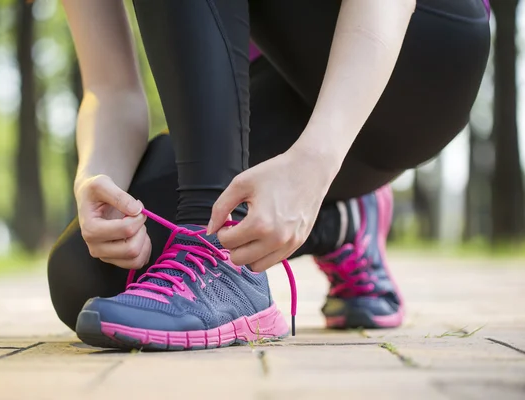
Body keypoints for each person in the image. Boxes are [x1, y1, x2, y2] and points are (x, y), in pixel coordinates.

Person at [48, 0, 490, 350]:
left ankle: (219, 256)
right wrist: (94, 182)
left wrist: (315, 163)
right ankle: (343, 221)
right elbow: (110, 88)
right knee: (84, 275)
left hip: (418, 57)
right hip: (286, 88)